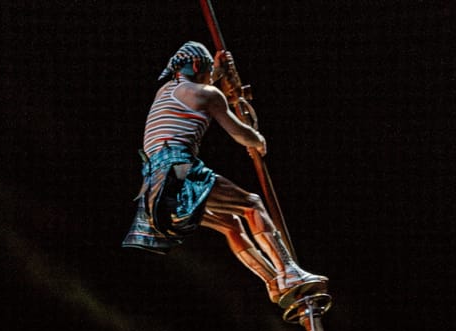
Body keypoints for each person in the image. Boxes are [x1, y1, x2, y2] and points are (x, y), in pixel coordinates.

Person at [121, 41, 326, 307]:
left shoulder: (166, 89)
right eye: (206, 71)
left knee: (231, 222)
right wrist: (258, 140)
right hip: (177, 170)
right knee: (251, 205)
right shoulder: (208, 95)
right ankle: (289, 272)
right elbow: (239, 132)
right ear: (197, 66)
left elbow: (200, 84)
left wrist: (217, 71)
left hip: (152, 189)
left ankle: (274, 283)